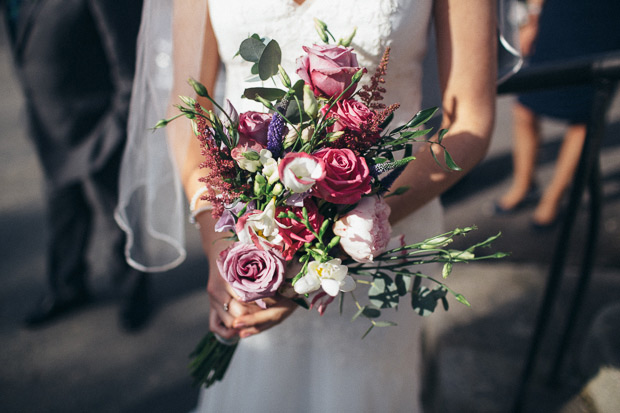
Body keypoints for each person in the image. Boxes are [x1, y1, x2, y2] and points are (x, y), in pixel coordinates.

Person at [119, 0, 498, 410]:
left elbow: (470, 125)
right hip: (246, 230)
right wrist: (219, 244)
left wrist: (332, 239)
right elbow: (189, 111)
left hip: (384, 227)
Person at [1, 0, 151, 331]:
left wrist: (118, 122)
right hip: (50, 125)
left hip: (99, 126)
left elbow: (127, 58)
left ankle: (133, 293)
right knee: (63, 212)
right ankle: (67, 287)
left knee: (118, 214)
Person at [496, 0, 620, 228]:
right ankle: (524, 184)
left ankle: (554, 196)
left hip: (608, 22)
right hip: (559, 14)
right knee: (525, 106)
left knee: (584, 115)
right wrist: (532, 17)